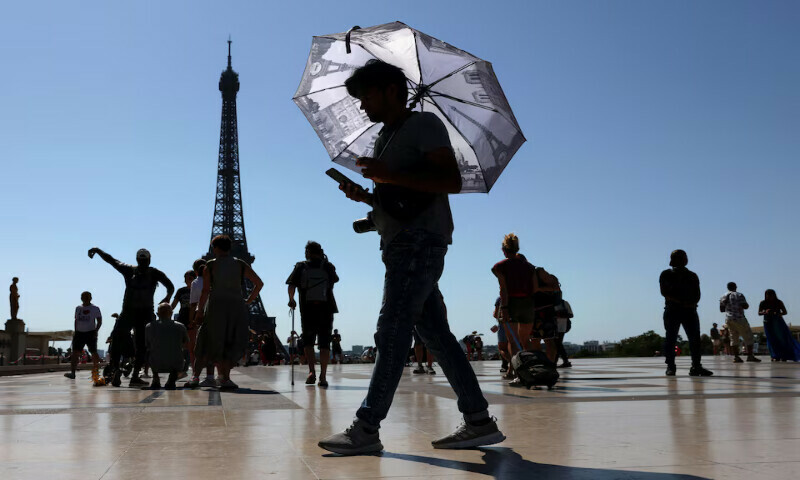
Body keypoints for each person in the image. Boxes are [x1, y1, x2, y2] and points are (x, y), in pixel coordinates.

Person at [319, 60, 503, 455]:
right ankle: (479, 421)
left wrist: (388, 178)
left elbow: (450, 181)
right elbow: (403, 199)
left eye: (366, 96)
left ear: (390, 89)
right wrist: (369, 197)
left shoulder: (424, 125)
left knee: (391, 331)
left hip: (418, 242)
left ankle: (367, 427)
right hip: (401, 239)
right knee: (435, 335)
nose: (362, 105)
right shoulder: (386, 135)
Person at [88, 247, 174, 387]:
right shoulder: (129, 270)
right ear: (138, 260)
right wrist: (98, 251)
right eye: (141, 260)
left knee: (143, 344)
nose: (143, 262)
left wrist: (167, 298)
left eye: (145, 260)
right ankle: (116, 371)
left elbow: (170, 286)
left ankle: (134, 375)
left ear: (149, 260)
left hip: (145, 312)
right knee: (117, 339)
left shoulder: (154, 273)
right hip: (129, 311)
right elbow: (111, 260)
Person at [195, 235, 264, 390]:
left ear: (216, 248)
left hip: (216, 306)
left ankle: (210, 376)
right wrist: (248, 300)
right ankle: (226, 378)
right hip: (236, 305)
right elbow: (259, 284)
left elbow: (205, 291)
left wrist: (199, 311)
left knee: (215, 339)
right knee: (230, 339)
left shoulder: (210, 265)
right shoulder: (240, 264)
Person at [287, 241, 339, 387]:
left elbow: (291, 286)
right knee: (324, 343)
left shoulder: (301, 266)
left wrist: (291, 300)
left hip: (307, 309)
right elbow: (334, 281)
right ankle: (323, 375)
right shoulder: (327, 266)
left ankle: (311, 372)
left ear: (308, 252)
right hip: (326, 309)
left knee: (308, 342)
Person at [659, 250, 713, 377]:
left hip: (690, 310)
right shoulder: (666, 274)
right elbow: (665, 292)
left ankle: (696, 366)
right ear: (673, 260)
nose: (685, 259)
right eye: (681, 257)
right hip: (673, 310)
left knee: (695, 339)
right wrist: (681, 301)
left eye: (685, 257)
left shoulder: (692, 275)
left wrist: (691, 303)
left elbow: (697, 294)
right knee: (671, 339)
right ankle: (670, 366)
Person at [185, 260, 216, 388]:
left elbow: (193, 304)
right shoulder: (214, 280)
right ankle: (211, 376)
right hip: (215, 316)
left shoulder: (196, 283)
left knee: (199, 349)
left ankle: (195, 376)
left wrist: (191, 320)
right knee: (211, 348)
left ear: (196, 271)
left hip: (201, 317)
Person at [144, 303, 189, 390]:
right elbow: (186, 343)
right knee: (186, 352)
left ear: (157, 314)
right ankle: (172, 378)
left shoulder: (149, 327)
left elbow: (148, 345)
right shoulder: (180, 326)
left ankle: (155, 378)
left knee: (148, 352)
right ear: (171, 313)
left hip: (156, 363)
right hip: (175, 363)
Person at [64, 291, 104, 385]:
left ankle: (96, 374)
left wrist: (96, 330)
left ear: (91, 298)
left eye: (87, 296)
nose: (85, 298)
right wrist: (75, 331)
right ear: (81, 298)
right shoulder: (78, 308)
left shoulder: (95, 308)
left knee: (93, 352)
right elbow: (76, 320)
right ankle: (73, 373)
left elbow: (99, 321)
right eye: (83, 296)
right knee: (75, 353)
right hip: (79, 333)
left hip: (90, 333)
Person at [720, 282, 760, 363]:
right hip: (739, 318)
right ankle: (750, 356)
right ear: (735, 287)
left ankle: (736, 357)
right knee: (748, 336)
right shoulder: (739, 295)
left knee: (733, 338)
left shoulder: (723, 296)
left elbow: (721, 309)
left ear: (728, 287)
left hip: (729, 319)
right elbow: (745, 306)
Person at [759, 289, 800, 362]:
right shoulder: (763, 303)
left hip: (778, 322)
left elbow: (785, 312)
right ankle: (774, 355)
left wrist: (776, 313)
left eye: (771, 295)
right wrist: (765, 312)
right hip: (768, 322)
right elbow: (759, 313)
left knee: (782, 338)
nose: (769, 297)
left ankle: (784, 355)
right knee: (771, 339)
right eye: (768, 295)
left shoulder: (779, 302)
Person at [171, 270, 195, 377]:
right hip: (182, 318)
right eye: (186, 278)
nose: (188, 280)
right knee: (182, 345)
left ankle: (191, 369)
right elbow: (174, 304)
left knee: (192, 346)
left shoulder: (198, 289)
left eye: (190, 278)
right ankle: (183, 368)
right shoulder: (181, 291)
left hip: (194, 319)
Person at [491, 297, 510, 373]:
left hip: (503, 324)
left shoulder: (500, 299)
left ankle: (507, 365)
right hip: (517, 324)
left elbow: (496, 314)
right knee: (513, 345)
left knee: (502, 348)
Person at [554, 299, 574, 368]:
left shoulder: (564, 303)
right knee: (557, 344)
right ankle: (557, 361)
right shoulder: (563, 303)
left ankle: (564, 361)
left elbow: (571, 315)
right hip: (554, 327)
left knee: (557, 344)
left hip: (561, 327)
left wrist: (560, 314)